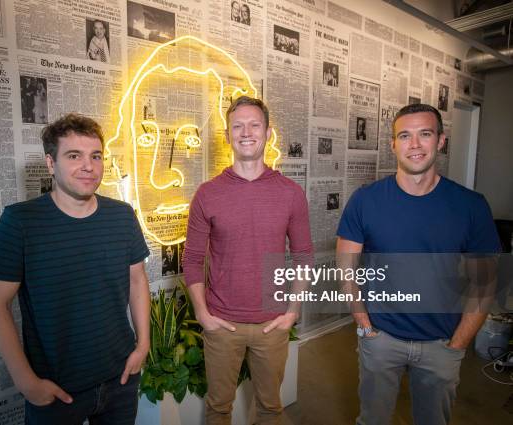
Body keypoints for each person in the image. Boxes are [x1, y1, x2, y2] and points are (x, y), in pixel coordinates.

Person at [0, 113, 151, 425]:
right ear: (50, 163)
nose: (88, 166)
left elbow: (137, 281)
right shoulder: (20, 222)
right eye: (74, 155)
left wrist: (143, 346)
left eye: (95, 156)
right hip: (56, 391)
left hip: (120, 379)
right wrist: (26, 382)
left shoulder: (123, 216)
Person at [336, 103, 500, 425]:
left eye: (424, 134)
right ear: (393, 144)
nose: (414, 145)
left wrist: (457, 346)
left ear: (440, 140)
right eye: (405, 136)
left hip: (442, 344)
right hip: (380, 340)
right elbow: (347, 270)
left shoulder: (471, 207)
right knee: (372, 420)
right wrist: (365, 328)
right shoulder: (365, 201)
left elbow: (485, 284)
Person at [183, 96, 313, 424]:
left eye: (254, 124)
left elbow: (303, 256)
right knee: (218, 408)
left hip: (273, 324)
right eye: (237, 126)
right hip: (222, 324)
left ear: (268, 133)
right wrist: (202, 313)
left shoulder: (290, 193)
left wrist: (292, 312)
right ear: (227, 135)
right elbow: (193, 258)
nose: (246, 132)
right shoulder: (208, 193)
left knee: (270, 409)